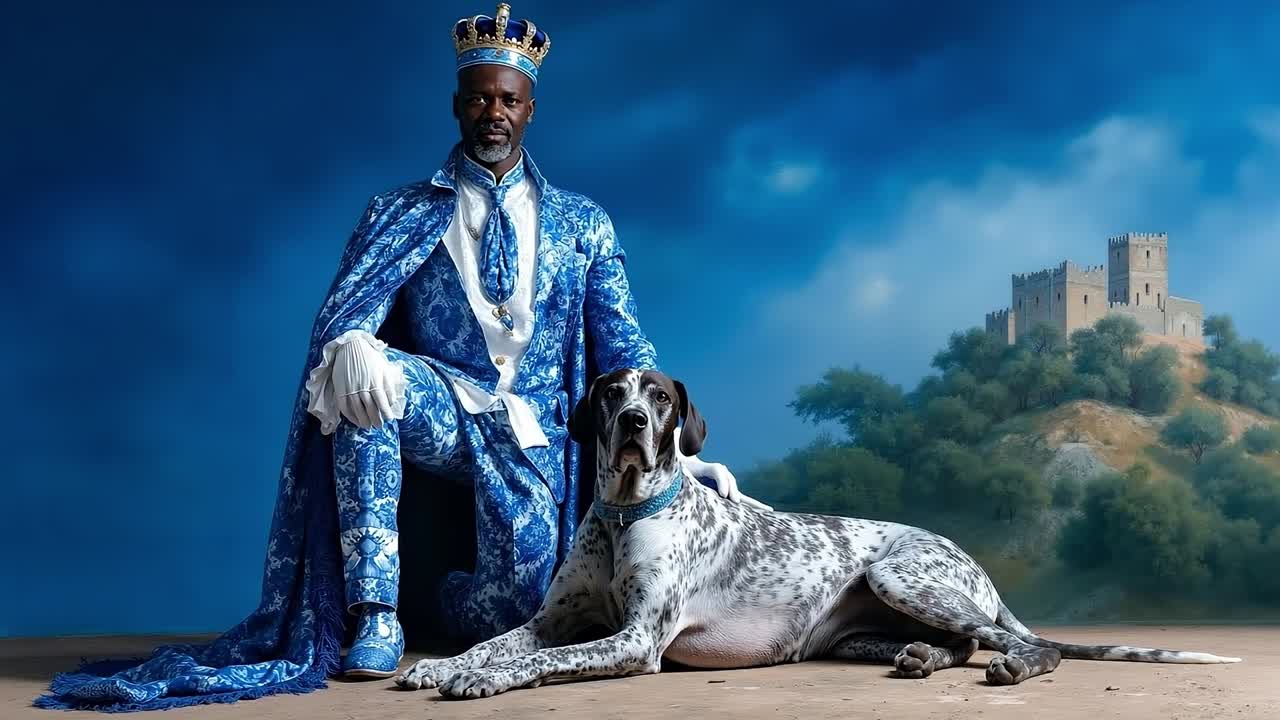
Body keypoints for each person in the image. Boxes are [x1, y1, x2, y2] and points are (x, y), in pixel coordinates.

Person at [36, 3, 760, 712]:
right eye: (479, 100)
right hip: (443, 399)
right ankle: (375, 611)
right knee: (362, 375)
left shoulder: (583, 222)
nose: (493, 114)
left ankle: (435, 596)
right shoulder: (400, 213)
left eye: (508, 100)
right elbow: (348, 315)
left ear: (530, 109)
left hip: (532, 435)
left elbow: (625, 346)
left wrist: (678, 455)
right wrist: (352, 344)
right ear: (457, 107)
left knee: (513, 614)